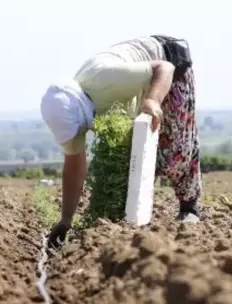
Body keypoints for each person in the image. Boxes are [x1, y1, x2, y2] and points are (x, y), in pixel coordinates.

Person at [40, 35, 202, 248]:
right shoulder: (69, 114)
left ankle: (189, 207)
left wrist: (153, 100)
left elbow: (165, 68)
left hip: (168, 64)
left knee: (175, 150)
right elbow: (73, 167)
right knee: (132, 158)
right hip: (140, 84)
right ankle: (136, 214)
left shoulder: (104, 79)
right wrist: (66, 220)